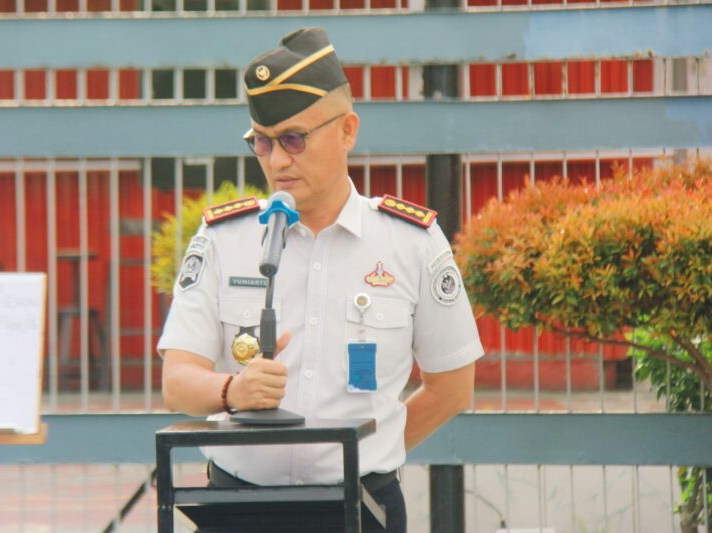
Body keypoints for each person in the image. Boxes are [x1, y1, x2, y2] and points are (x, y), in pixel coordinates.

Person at [158, 27, 484, 532]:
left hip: (360, 508)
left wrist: (366, 453)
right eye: (262, 142)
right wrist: (232, 391)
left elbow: (452, 387)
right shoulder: (225, 239)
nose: (277, 160)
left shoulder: (410, 243)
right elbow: (177, 381)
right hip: (238, 508)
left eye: (294, 139)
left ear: (347, 131)